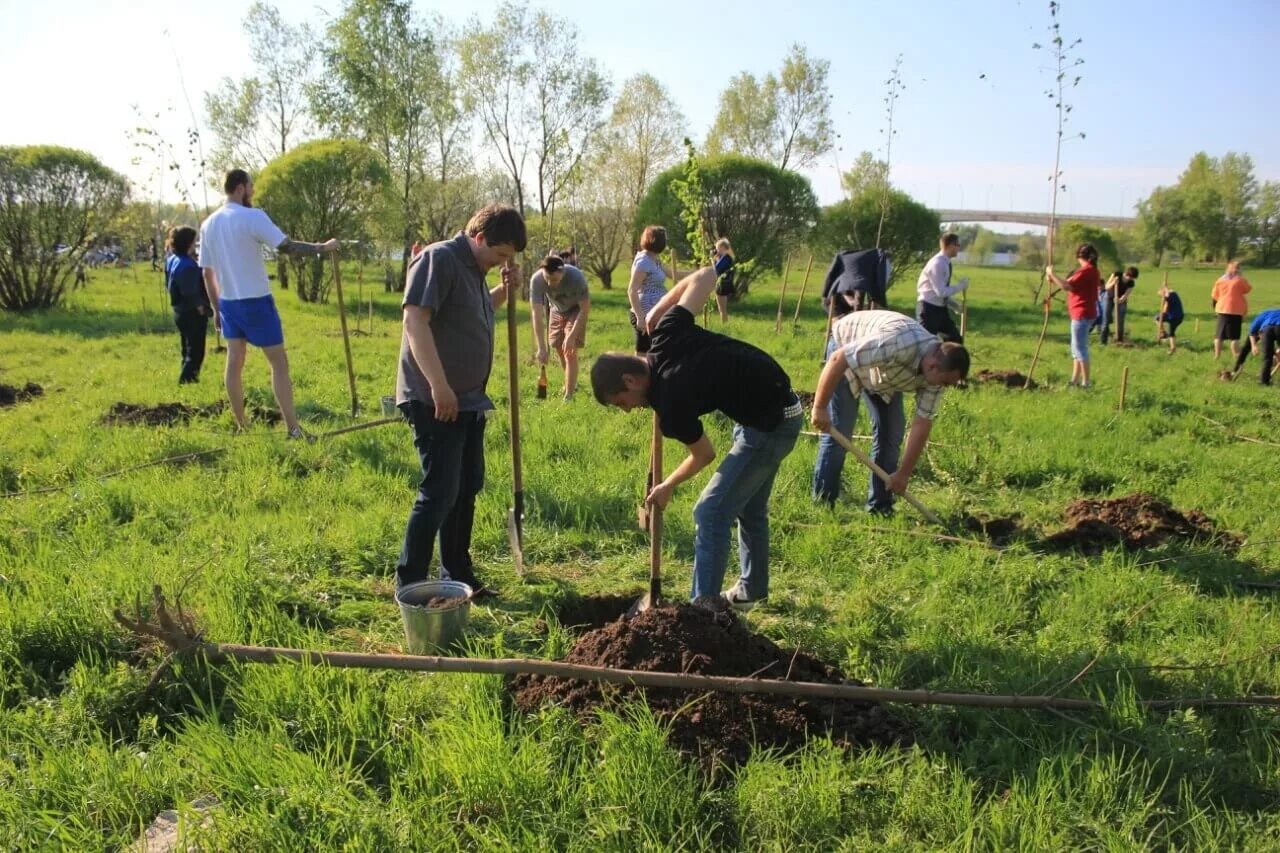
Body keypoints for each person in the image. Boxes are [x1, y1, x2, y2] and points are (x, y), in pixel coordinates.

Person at [590, 266, 802, 610]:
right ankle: (753, 590)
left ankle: (701, 610)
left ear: (630, 381)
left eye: (621, 404)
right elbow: (705, 277)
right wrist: (662, 311)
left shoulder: (671, 403)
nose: (627, 411)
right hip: (766, 409)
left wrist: (668, 485)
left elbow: (703, 454)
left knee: (710, 511)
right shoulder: (665, 336)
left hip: (771, 426)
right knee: (749, 507)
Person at [395, 204, 527, 595]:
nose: (502, 261)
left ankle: (457, 572)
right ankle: (412, 583)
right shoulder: (439, 259)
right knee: (440, 491)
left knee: (466, 485)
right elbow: (415, 320)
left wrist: (504, 290)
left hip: (469, 399)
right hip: (436, 398)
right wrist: (438, 385)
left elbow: (473, 312)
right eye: (500, 254)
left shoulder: (474, 271)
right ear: (480, 237)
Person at [200, 169, 338, 438]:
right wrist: (323, 247)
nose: (252, 192)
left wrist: (216, 309)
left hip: (228, 302)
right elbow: (286, 246)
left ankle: (242, 425)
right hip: (256, 302)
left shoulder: (208, 224)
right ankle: (293, 428)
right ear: (240, 188)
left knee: (234, 363)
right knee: (279, 364)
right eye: (250, 187)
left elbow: (207, 271)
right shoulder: (253, 217)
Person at [811, 311, 969, 513]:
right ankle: (823, 505)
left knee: (891, 434)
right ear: (932, 366)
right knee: (839, 433)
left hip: (884, 373)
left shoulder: (936, 375)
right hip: (847, 350)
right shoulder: (897, 344)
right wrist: (819, 407)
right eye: (946, 382)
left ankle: (880, 506)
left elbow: (922, 423)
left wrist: (903, 473)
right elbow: (838, 359)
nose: (945, 387)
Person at [530, 254, 591, 399]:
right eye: (547, 279)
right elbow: (536, 313)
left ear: (562, 273)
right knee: (558, 347)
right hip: (556, 310)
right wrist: (541, 347)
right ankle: (572, 383)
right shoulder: (537, 280)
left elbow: (585, 308)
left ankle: (568, 396)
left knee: (569, 351)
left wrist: (572, 336)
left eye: (554, 280)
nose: (550, 284)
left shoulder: (576, 277)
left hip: (576, 310)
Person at [1046, 244, 1102, 388]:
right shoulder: (1092, 270)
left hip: (1081, 313)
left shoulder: (1085, 271)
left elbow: (1066, 286)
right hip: (1086, 313)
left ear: (1079, 257)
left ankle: (1086, 383)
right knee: (1076, 349)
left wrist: (1052, 273)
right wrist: (1052, 278)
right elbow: (1067, 283)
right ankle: (1074, 380)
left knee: (1080, 349)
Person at [165, 226, 211, 384]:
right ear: (189, 243)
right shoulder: (188, 266)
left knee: (187, 348)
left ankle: (187, 378)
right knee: (196, 351)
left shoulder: (172, 259)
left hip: (179, 311)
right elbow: (190, 292)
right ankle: (187, 381)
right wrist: (201, 309)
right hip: (191, 312)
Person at [915, 233, 969, 343]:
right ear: (950, 245)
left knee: (955, 341)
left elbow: (941, 292)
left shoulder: (946, 262)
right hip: (928, 310)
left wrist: (954, 305)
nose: (959, 248)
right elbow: (941, 292)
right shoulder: (938, 264)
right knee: (927, 345)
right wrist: (960, 286)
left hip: (940, 310)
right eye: (958, 245)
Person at [627, 225, 668, 354]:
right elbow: (632, 290)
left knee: (656, 351)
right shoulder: (644, 261)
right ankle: (638, 374)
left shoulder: (654, 259)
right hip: (645, 314)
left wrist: (699, 273)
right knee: (643, 354)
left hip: (655, 313)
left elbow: (673, 273)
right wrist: (640, 318)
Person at [1225, 308, 1280, 385]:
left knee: (1266, 357)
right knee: (1267, 355)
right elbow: (1252, 332)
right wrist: (1254, 345)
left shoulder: (1264, 314)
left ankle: (1263, 382)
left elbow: (1252, 332)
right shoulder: (1264, 316)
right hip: (1273, 329)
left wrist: (1254, 345)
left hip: (1266, 329)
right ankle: (1236, 370)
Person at [1211, 261, 1252, 361]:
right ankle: (1236, 355)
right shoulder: (1240, 280)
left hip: (1222, 309)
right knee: (1234, 337)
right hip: (1236, 310)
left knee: (1219, 335)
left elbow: (1214, 295)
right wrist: (1240, 277)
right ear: (1238, 269)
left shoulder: (1220, 280)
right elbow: (1247, 289)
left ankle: (1217, 356)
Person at [1101, 266, 1139, 344]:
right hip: (1109, 297)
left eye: (1133, 278)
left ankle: (1119, 340)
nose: (1131, 279)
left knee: (1120, 320)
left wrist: (1120, 300)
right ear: (1127, 274)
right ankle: (1103, 342)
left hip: (1120, 300)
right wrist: (1113, 283)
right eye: (1130, 277)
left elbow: (1126, 294)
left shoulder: (1131, 283)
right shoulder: (1116, 274)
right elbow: (1106, 287)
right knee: (1106, 319)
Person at [1155, 281, 1185, 354]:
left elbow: (1167, 295)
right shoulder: (1171, 295)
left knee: (1157, 318)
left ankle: (1163, 333)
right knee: (1171, 332)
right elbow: (1165, 309)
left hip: (1174, 316)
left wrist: (1165, 288)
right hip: (1179, 317)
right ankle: (1173, 349)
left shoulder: (1171, 294)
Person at [712, 237, 736, 323]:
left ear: (723, 247)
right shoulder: (727, 257)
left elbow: (716, 269)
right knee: (722, 308)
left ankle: (724, 324)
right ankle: (724, 323)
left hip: (723, 284)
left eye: (718, 248)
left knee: (722, 308)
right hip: (724, 283)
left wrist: (712, 260)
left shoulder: (726, 257)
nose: (716, 250)